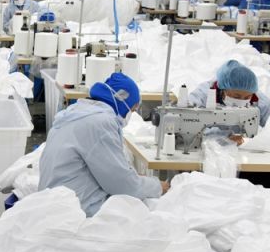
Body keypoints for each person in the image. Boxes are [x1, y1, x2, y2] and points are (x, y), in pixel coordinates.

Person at [38, 72, 168, 216]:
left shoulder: (77, 112)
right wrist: (157, 186)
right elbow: (122, 185)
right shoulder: (100, 123)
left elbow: (110, 169)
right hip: (76, 211)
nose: (130, 115)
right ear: (122, 101)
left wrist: (132, 176)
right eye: (132, 109)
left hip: (54, 201)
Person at [188, 60, 270, 138]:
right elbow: (188, 123)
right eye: (236, 96)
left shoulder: (262, 103)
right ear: (223, 90)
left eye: (247, 97)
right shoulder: (202, 96)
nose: (241, 101)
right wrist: (222, 136)